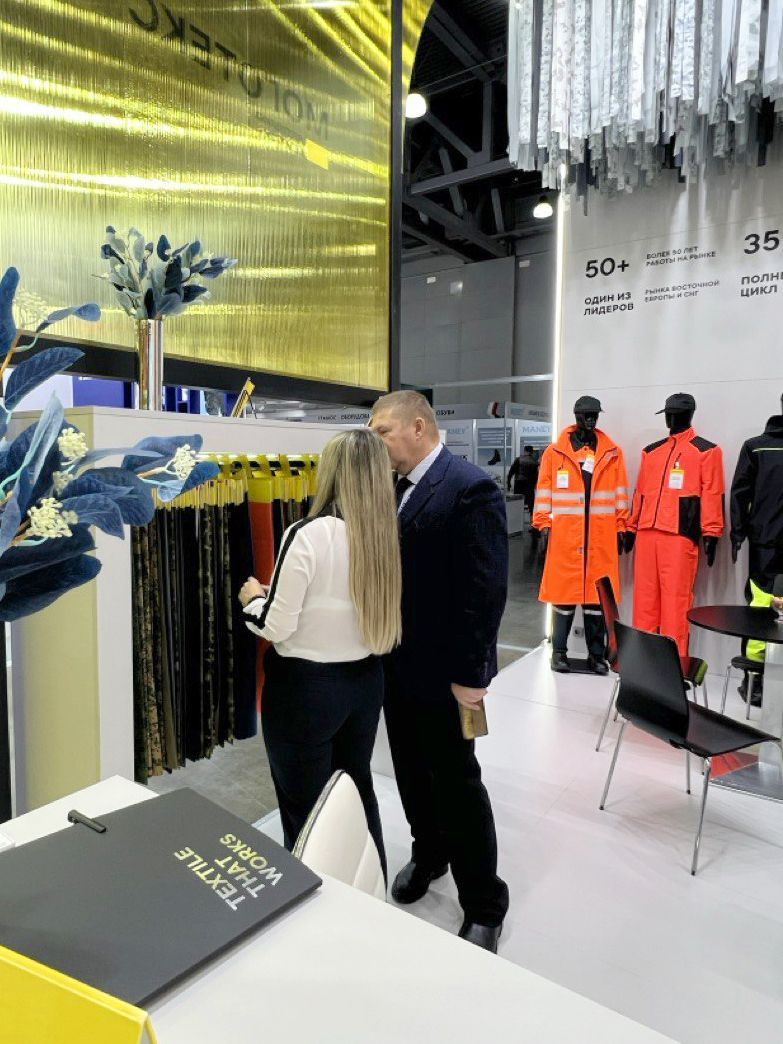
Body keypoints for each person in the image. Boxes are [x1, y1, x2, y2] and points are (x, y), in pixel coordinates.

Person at [370, 390, 509, 953]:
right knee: (409, 770)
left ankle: (484, 902)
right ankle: (429, 853)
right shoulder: (392, 488)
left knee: (456, 782)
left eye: (382, 431)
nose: (376, 441)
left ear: (418, 427)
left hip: (450, 673)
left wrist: (472, 675)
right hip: (398, 665)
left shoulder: (469, 488)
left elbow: (485, 591)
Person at [238, 429, 401, 876]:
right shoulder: (383, 534)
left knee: (306, 812)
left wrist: (252, 599)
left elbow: (276, 626)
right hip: (365, 683)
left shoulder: (307, 534)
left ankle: (315, 901)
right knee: (355, 792)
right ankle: (369, 887)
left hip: (305, 691)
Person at [507, 444, 539, 519]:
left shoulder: (518, 460)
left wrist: (508, 483)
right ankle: (532, 519)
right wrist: (535, 485)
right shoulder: (535, 462)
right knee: (530, 503)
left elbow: (511, 472)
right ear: (532, 452)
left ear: (525, 451)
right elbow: (536, 476)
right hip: (529, 485)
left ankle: (516, 519)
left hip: (519, 483)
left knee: (517, 502)